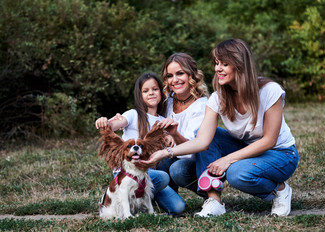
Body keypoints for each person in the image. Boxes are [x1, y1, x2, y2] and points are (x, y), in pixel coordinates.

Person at [142, 39, 299, 217]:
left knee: (236, 173)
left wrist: (227, 160)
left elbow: (269, 140)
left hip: (281, 153)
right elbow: (202, 140)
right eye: (216, 63)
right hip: (246, 149)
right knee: (208, 136)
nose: (218, 68)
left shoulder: (269, 90)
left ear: (240, 65)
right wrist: (165, 153)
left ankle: (279, 190)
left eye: (225, 64)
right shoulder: (218, 98)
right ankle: (214, 201)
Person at [95, 72, 185, 215]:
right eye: (145, 90)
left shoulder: (163, 120)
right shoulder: (133, 114)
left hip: (147, 175)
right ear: (140, 95)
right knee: (162, 177)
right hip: (128, 174)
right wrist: (105, 122)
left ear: (161, 92)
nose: (151, 93)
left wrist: (172, 137)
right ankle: (112, 196)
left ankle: (143, 201)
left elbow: (171, 145)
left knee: (178, 207)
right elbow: (118, 123)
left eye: (155, 89)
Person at [155, 52, 209, 195]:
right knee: (160, 160)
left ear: (191, 75)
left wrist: (174, 134)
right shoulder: (167, 101)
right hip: (170, 156)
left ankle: (209, 191)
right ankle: (168, 199)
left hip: (196, 162)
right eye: (170, 76)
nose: (175, 80)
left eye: (180, 73)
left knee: (177, 169)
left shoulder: (202, 106)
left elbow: (191, 153)